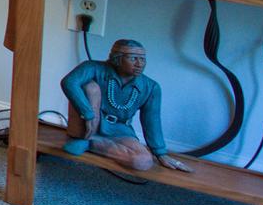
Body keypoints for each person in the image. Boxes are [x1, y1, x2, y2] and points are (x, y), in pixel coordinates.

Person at [60, 39, 189, 172]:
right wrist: (87, 113)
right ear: (117, 58)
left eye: (142, 59)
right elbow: (69, 82)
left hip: (121, 131)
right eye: (133, 58)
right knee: (90, 87)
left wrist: (160, 153)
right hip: (88, 124)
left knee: (143, 161)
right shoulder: (93, 67)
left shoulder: (150, 87)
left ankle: (93, 144)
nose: (139, 64)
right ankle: (85, 137)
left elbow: (151, 120)